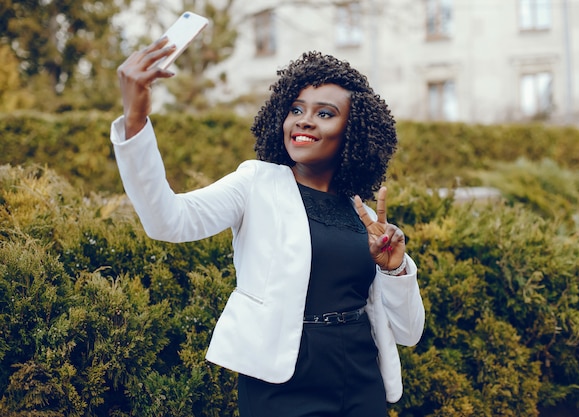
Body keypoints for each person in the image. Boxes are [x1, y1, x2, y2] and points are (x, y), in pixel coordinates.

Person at [111, 37, 425, 417]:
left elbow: (408, 333)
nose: (305, 120)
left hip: (360, 375)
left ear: (353, 131)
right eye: (296, 109)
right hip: (283, 381)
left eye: (325, 113)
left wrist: (394, 270)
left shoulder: (365, 217)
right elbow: (169, 221)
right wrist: (135, 121)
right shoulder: (256, 183)